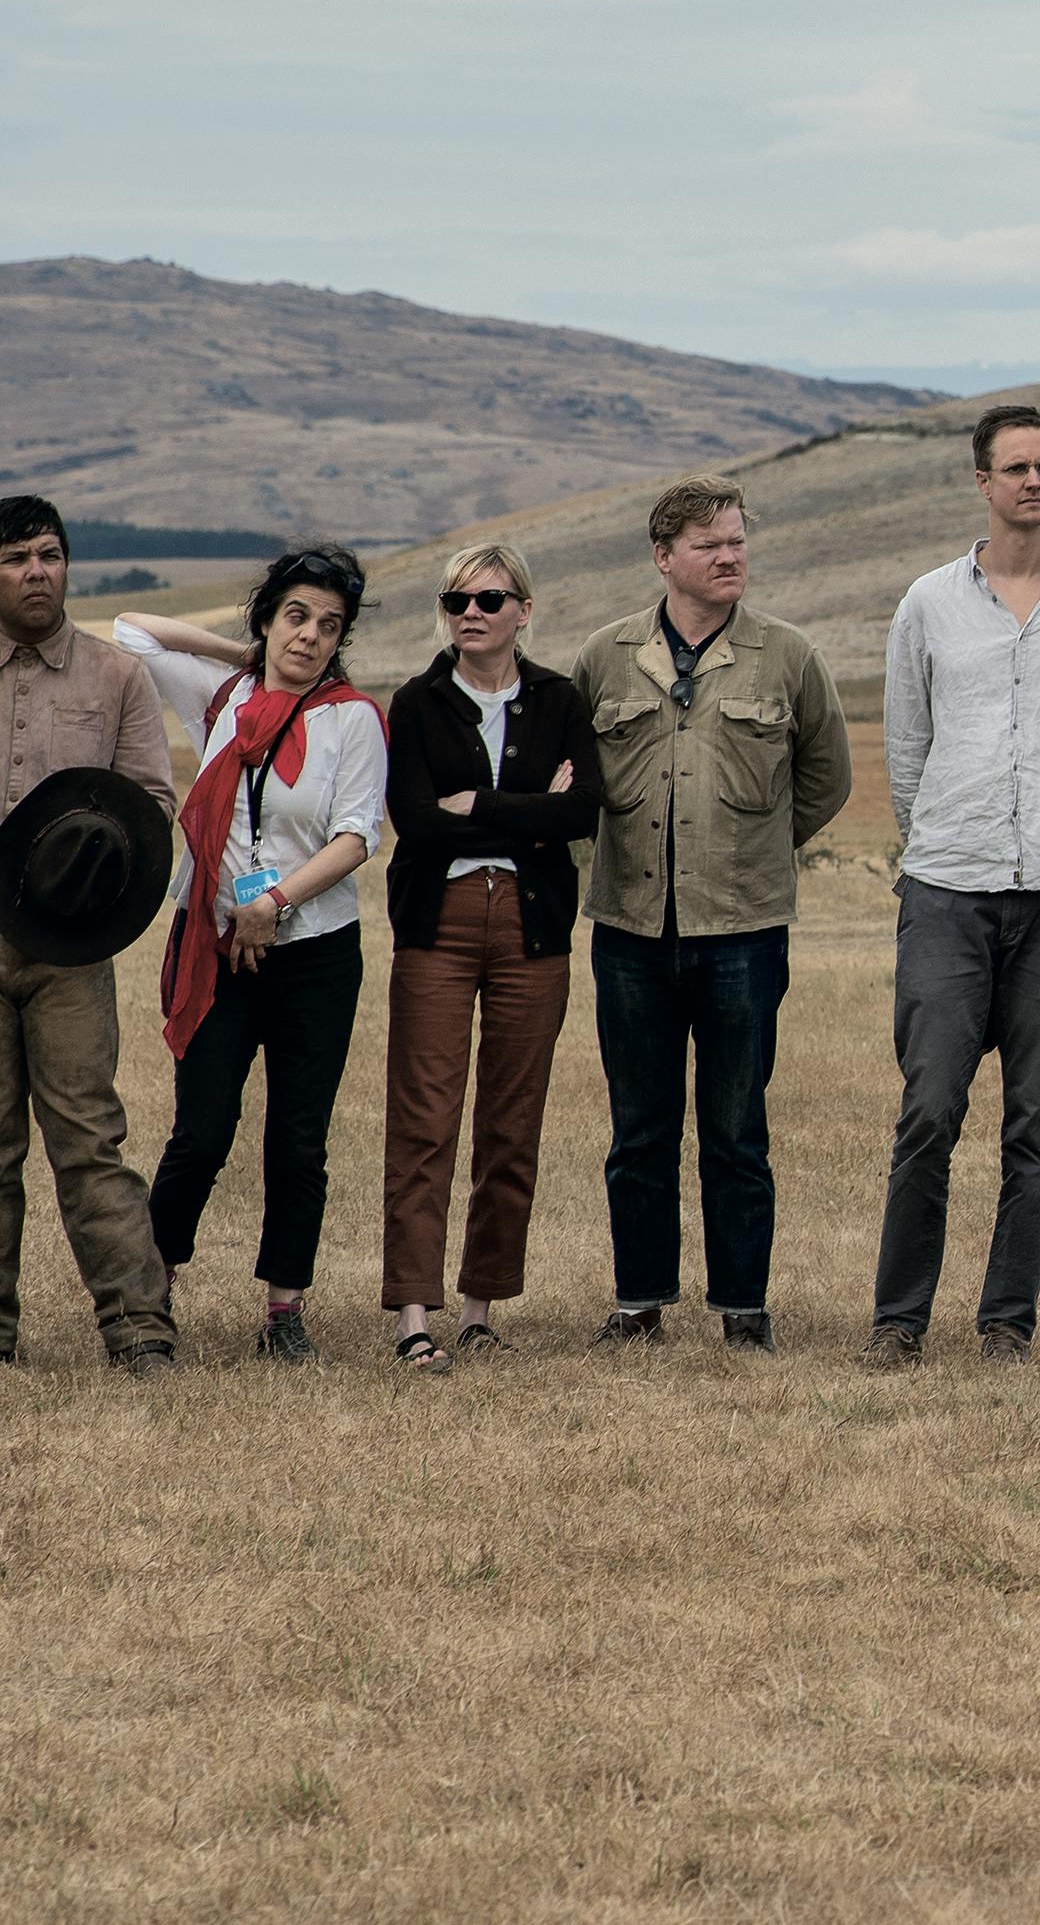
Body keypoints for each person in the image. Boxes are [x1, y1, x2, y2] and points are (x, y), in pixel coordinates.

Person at [866, 405, 1040, 1368]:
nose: (1034, 480)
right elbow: (907, 749)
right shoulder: (927, 603)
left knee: (1037, 1119)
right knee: (930, 1107)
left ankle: (1006, 1325)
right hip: (947, 887)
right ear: (980, 481)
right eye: (1016, 466)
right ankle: (899, 1321)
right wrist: (951, 837)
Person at [569, 476, 854, 1355]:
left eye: (737, 540)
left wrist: (753, 848)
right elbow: (574, 792)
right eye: (709, 545)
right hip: (630, 932)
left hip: (744, 931)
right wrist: (605, 867)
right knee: (639, 1129)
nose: (730, 556)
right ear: (664, 558)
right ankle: (639, 1303)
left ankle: (744, 1309)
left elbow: (825, 777)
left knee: (737, 1129)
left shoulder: (788, 655)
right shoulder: (605, 658)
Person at [121, 550, 389, 1368]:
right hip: (215, 948)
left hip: (312, 952)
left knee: (298, 1138)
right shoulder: (224, 696)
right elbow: (133, 631)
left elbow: (355, 836)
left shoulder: (353, 718)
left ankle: (284, 1309)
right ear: (267, 617)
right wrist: (240, 657)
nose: (311, 636)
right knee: (201, 1132)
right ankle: (148, 1291)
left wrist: (272, 904)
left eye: (329, 624)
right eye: (296, 615)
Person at [377, 541, 600, 1365]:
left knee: (512, 1122)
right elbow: (418, 818)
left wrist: (487, 802)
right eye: (456, 600)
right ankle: (413, 1315)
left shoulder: (558, 698)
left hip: (533, 925)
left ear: (524, 610)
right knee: (425, 1118)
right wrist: (530, 807)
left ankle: (479, 1306)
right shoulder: (418, 701)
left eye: (490, 599)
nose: (471, 613)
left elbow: (583, 812)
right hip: (438, 919)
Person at [0, 498, 181, 1376]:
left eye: (49, 554)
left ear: (69, 565)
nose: (36, 570)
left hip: (72, 950)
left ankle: (140, 1329)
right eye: (15, 558)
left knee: (88, 1139)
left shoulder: (116, 678)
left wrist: (90, 868)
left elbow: (150, 802)